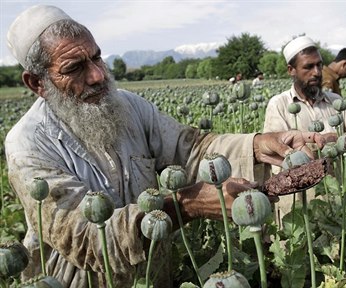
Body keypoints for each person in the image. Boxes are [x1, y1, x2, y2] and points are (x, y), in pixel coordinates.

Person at [5, 5, 326, 288]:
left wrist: (258, 145)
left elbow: (192, 149)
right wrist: (185, 206)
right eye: (74, 67)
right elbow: (86, 239)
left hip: (154, 274)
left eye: (97, 57)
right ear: (37, 83)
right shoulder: (28, 144)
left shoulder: (127, 105)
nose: (97, 75)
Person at [263, 36, 346, 224]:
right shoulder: (279, 105)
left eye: (319, 65)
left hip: (334, 204)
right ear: (291, 70)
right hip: (297, 210)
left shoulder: (335, 102)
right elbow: (278, 159)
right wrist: (323, 144)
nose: (317, 72)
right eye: (308, 67)